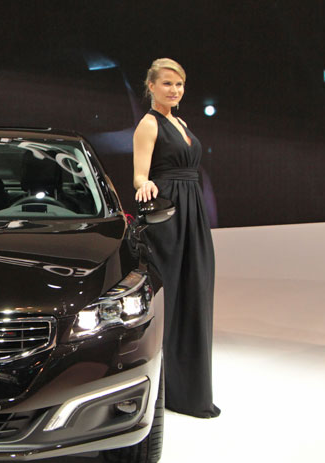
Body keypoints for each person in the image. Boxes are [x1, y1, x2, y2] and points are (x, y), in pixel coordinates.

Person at [133, 58, 220, 418]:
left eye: (179, 84)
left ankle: (189, 392)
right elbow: (139, 175)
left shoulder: (181, 123)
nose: (174, 90)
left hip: (193, 211)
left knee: (196, 291)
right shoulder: (149, 123)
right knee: (168, 295)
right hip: (168, 211)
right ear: (151, 86)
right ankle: (157, 387)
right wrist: (145, 185)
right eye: (167, 83)